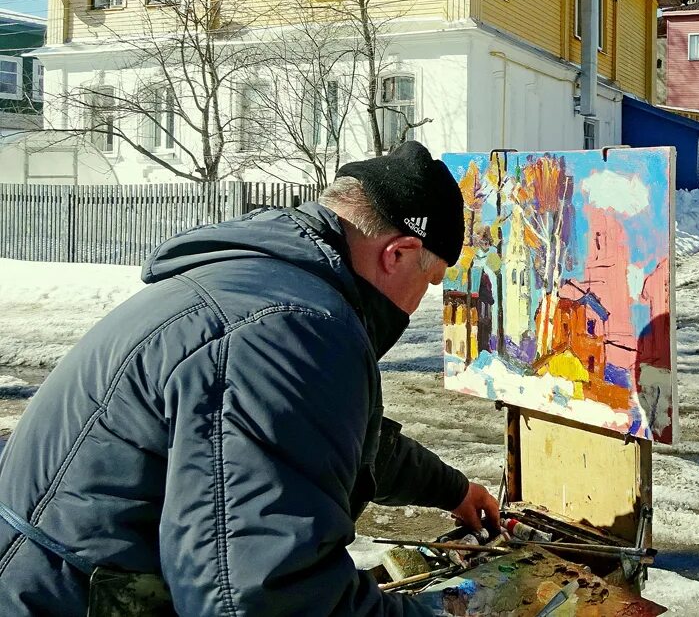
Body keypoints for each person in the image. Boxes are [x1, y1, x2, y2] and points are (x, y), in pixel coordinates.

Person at [0, 141, 499, 615]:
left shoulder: (264, 282)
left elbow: (320, 440)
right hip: (58, 598)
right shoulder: (290, 328)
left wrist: (452, 489)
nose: (418, 305)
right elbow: (264, 596)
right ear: (397, 253)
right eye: (429, 282)